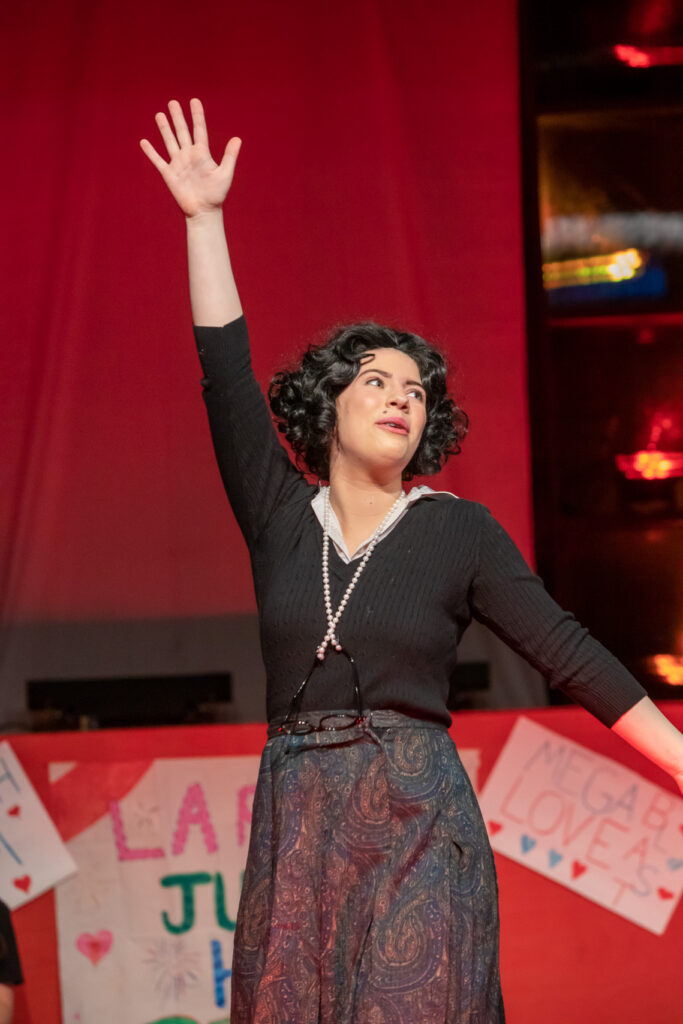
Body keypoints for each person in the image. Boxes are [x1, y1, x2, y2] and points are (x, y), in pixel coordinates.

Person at [141, 99, 683, 1024]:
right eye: (376, 383)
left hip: (421, 827)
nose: (402, 399)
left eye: (419, 394)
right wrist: (204, 222)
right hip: (301, 827)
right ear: (329, 406)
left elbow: (570, 654)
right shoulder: (280, 516)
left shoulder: (457, 532)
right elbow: (223, 371)